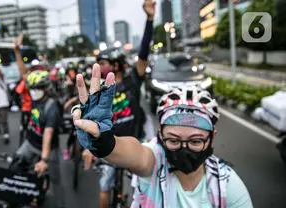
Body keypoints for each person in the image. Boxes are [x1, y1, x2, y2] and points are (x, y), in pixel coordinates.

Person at [72, 62, 253, 207]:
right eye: (173, 140)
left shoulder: (227, 186)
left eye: (196, 141)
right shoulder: (155, 161)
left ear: (212, 137)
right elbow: (137, 154)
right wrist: (103, 141)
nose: (184, 149)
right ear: (160, 135)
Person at [80, 1, 154, 207]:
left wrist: (149, 19)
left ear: (115, 65)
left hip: (136, 144)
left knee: (144, 193)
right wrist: (88, 146)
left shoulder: (133, 81)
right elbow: (90, 120)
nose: (99, 68)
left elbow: (144, 54)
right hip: (111, 145)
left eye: (103, 64)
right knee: (104, 189)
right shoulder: (100, 89)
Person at [14, 34, 66, 208]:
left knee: (56, 180)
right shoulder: (34, 97)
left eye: (38, 88)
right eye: (32, 89)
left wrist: (43, 159)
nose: (34, 91)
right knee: (16, 164)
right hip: (30, 141)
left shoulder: (51, 107)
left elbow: (48, 133)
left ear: (45, 88)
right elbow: (23, 74)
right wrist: (17, 51)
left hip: (48, 147)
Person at [61, 66, 79, 160]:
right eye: (70, 72)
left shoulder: (79, 82)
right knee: (72, 133)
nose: (72, 74)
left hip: (81, 108)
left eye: (73, 72)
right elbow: (64, 100)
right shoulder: (66, 85)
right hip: (71, 111)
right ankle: (67, 149)